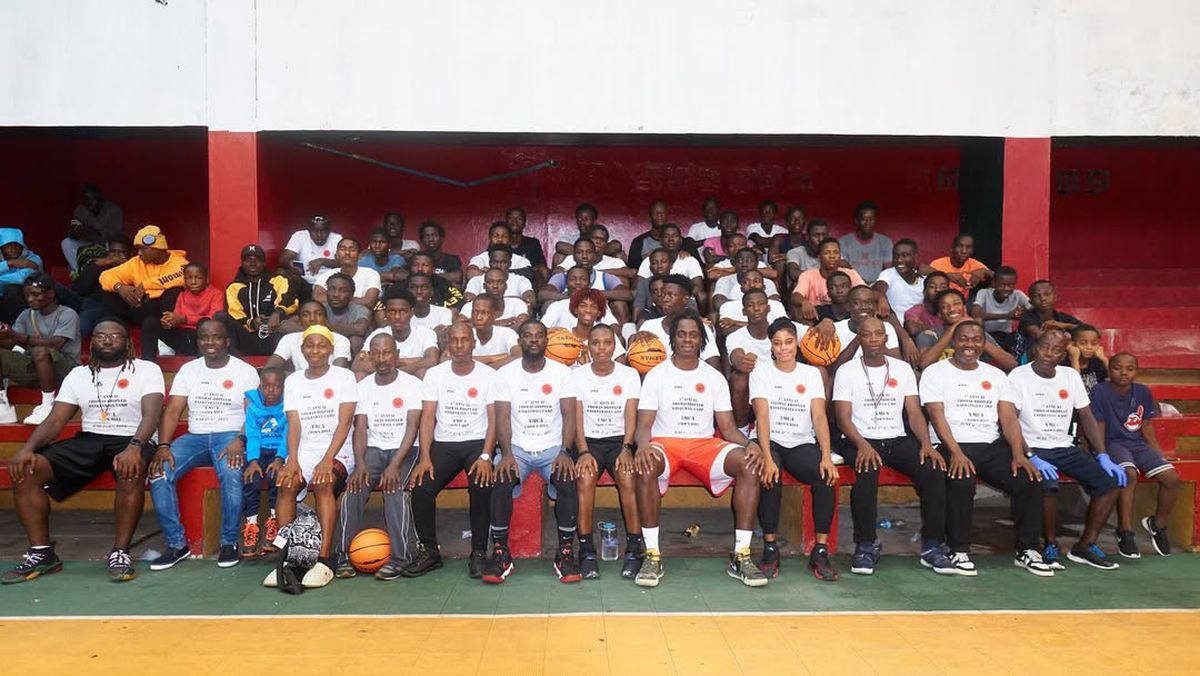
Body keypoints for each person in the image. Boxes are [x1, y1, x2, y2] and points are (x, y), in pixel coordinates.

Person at [2, 320, 162, 584]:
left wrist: (135, 447)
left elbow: (152, 414)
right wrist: (27, 449)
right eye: (100, 336)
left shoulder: (146, 369)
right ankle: (42, 554)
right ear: (92, 341)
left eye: (115, 336)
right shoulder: (78, 375)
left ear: (128, 343)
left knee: (130, 469)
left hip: (133, 437)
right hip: (91, 439)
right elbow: (55, 420)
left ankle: (120, 552)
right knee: (28, 469)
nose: (107, 340)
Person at [631, 308, 768, 588]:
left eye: (693, 335)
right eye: (681, 334)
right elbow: (643, 425)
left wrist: (750, 444)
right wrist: (642, 446)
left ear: (702, 340)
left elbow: (728, 429)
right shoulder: (657, 375)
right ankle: (652, 554)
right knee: (645, 465)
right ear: (672, 339)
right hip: (665, 444)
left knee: (749, 464)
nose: (687, 339)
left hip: (704, 445)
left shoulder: (714, 377)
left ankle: (741, 554)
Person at [920, 320, 1054, 577]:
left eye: (976, 339)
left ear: (984, 343)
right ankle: (958, 550)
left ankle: (1027, 550)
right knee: (962, 480)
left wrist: (1018, 454)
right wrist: (957, 453)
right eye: (964, 339)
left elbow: (1008, 418)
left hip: (990, 445)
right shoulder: (935, 372)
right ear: (953, 342)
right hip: (951, 443)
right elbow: (936, 416)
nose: (969, 345)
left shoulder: (996, 376)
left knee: (1029, 480)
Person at [831, 317, 955, 576]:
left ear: (886, 338)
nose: (873, 339)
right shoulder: (847, 371)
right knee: (867, 471)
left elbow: (914, 412)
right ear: (859, 339)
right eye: (867, 334)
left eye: (878, 334)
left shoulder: (902, 369)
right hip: (859, 438)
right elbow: (842, 418)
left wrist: (926, 444)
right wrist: (863, 445)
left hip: (897, 438)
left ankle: (933, 544)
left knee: (933, 469)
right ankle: (866, 544)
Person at [147, 319, 260, 570]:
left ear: (227, 341)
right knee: (158, 472)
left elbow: (252, 413)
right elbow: (173, 410)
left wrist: (240, 439)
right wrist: (163, 446)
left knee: (231, 473)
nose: (210, 342)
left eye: (216, 337)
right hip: (195, 437)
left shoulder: (245, 371)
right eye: (204, 337)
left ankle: (229, 542)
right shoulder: (189, 370)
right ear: (197, 341)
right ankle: (177, 544)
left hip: (230, 435)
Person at [1007, 331, 1125, 571]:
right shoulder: (1018, 376)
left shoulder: (1070, 376)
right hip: (1033, 447)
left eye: (1056, 350)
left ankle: (1085, 545)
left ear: (1064, 354)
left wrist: (1102, 454)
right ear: (1035, 348)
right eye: (1044, 347)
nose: (1048, 354)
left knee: (1110, 482)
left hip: (1064, 446)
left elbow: (1086, 416)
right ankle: (1050, 544)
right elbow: (1011, 421)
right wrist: (1030, 455)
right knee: (1047, 484)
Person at [484, 320, 580, 584]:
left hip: (553, 448)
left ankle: (565, 551)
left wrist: (565, 452)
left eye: (539, 335)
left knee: (567, 481)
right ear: (520, 341)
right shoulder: (506, 374)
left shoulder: (562, 373)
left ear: (546, 341)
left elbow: (569, 415)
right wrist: (506, 454)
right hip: (517, 448)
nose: (534, 339)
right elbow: (502, 418)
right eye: (528, 335)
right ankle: (501, 552)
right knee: (501, 480)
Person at [269, 325, 358, 589]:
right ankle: (289, 558)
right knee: (286, 484)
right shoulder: (294, 381)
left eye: (321, 345)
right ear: (302, 349)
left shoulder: (344, 377)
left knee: (323, 483)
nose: (315, 350)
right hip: (305, 450)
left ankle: (323, 559)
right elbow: (294, 424)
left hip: (338, 449)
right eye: (309, 345)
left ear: (330, 350)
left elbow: (345, 423)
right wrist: (292, 460)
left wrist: (328, 459)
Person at [406, 322, 498, 579]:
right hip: (445, 444)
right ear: (447, 344)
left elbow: (494, 420)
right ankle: (429, 552)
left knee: (481, 484)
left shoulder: (489, 376)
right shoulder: (435, 375)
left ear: (473, 343)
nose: (459, 345)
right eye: (454, 340)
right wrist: (425, 457)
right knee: (421, 487)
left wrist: (486, 456)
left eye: (464, 340)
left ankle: (478, 553)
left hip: (477, 443)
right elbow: (427, 418)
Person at [751, 318, 840, 581]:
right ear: (771, 346)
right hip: (771, 440)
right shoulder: (761, 373)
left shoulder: (811, 374)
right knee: (769, 474)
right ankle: (770, 547)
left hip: (801, 442)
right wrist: (768, 457)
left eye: (788, 342)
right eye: (777, 343)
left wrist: (826, 456)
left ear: (796, 343)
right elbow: (762, 417)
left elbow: (819, 417)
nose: (784, 348)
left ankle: (820, 551)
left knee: (825, 476)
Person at [335, 333, 422, 580]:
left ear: (397, 354)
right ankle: (343, 555)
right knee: (354, 487)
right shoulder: (362, 387)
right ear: (369, 356)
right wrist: (360, 464)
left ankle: (402, 557)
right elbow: (360, 429)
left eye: (387, 352)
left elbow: (412, 428)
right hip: (373, 449)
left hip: (405, 449)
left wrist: (395, 464)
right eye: (376, 353)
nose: (382, 358)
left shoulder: (412, 385)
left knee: (394, 489)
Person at [1090, 353, 1180, 557]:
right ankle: (1124, 530)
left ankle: (1158, 525)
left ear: (1136, 371)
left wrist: (1158, 453)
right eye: (1117, 368)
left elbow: (1146, 425)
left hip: (1137, 444)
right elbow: (1098, 425)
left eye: (1130, 369)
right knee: (1128, 474)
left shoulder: (1142, 391)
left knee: (1171, 478)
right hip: (1112, 444)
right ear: (1109, 370)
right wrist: (1100, 453)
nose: (1124, 373)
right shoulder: (1099, 391)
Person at [572, 323, 643, 579]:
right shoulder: (577, 376)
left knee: (627, 476)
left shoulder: (629, 375)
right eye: (596, 343)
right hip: (588, 442)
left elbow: (631, 415)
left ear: (615, 346)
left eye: (607, 343)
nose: (601, 348)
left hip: (619, 442)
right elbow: (576, 419)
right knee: (585, 478)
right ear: (588, 346)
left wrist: (627, 448)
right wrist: (583, 452)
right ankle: (586, 550)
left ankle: (635, 548)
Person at [0, 275, 81, 425]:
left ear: (51, 293)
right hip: (35, 367)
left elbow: (56, 344)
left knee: (40, 351)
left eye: (35, 294)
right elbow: (14, 342)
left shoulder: (67, 313)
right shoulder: (26, 314)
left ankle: (48, 405)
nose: (30, 299)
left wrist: (16, 335)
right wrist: (4, 334)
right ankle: (2, 406)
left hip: (65, 370)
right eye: (27, 296)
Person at [98, 225, 188, 359]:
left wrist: (144, 286)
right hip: (139, 306)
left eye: (143, 249)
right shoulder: (136, 262)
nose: (139, 253)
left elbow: (181, 277)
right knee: (109, 292)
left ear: (158, 248)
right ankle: (120, 335)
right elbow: (105, 276)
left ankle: (166, 339)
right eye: (138, 249)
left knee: (174, 292)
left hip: (161, 311)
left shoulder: (179, 262)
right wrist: (120, 287)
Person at [240, 367, 287, 555]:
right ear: (260, 387)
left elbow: (288, 436)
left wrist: (279, 458)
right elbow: (252, 435)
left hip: (280, 451)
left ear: (283, 387)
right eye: (266, 386)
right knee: (251, 478)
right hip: (258, 451)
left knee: (276, 477)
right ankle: (251, 524)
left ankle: (274, 521)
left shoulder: (288, 406)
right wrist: (253, 460)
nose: (271, 390)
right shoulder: (253, 408)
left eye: (276, 386)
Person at [221, 244, 299, 356]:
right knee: (221, 317)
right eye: (248, 260)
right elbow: (234, 314)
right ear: (242, 263)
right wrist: (252, 323)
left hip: (274, 332)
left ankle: (282, 358)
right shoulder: (234, 287)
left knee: (291, 322)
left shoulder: (278, 280)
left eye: (257, 259)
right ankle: (232, 359)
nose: (252, 263)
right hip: (247, 337)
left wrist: (276, 314)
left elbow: (290, 300)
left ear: (264, 263)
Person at [916, 290, 1018, 372]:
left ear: (964, 309)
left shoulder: (979, 334)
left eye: (956, 304)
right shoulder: (928, 335)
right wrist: (954, 328)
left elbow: (1012, 364)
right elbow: (923, 364)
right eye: (944, 307)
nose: (952, 309)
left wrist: (978, 338)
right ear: (939, 314)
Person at [633, 275, 720, 368]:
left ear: (685, 299)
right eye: (663, 294)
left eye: (671, 295)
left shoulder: (700, 328)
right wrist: (637, 342)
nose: (665, 299)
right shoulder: (648, 326)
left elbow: (713, 365)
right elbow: (635, 361)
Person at [141, 262, 223, 360]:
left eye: (198, 278)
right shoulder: (182, 295)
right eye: (189, 278)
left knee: (204, 322)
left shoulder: (216, 294)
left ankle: (203, 362)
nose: (193, 282)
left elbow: (214, 319)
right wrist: (169, 322)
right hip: (183, 337)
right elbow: (177, 318)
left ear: (207, 279)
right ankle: (148, 361)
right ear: (184, 280)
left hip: (200, 339)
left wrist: (185, 319)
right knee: (150, 322)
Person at [541, 238, 630, 324]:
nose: (584, 256)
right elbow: (543, 294)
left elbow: (627, 294)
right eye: (579, 252)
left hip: (598, 321)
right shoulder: (563, 276)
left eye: (589, 252)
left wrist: (593, 295)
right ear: (573, 256)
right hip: (565, 320)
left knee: (620, 304)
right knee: (549, 304)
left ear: (594, 256)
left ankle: (621, 334)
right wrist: (574, 298)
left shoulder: (604, 277)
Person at [356, 291, 440, 378]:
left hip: (413, 382)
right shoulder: (378, 334)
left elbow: (432, 361)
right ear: (385, 314)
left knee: (422, 372)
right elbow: (357, 365)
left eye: (402, 311)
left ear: (411, 313)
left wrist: (393, 371)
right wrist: (404, 362)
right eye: (392, 312)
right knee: (360, 375)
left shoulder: (425, 333)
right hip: (383, 382)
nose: (397, 317)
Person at [726, 289, 776, 428]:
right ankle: (742, 429)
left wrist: (826, 322)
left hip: (780, 380)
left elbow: (808, 332)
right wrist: (741, 361)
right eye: (750, 305)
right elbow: (736, 356)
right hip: (753, 386)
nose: (756, 308)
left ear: (768, 308)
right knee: (738, 378)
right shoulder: (735, 336)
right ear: (744, 311)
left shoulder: (781, 330)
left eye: (761, 304)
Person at [70, 235, 132, 337]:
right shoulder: (101, 265)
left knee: (85, 320)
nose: (116, 256)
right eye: (112, 251)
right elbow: (79, 288)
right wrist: (97, 264)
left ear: (130, 254)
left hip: (103, 307)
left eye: (121, 252)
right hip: (84, 300)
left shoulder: (133, 269)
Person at [791, 238, 866, 322]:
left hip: (847, 318)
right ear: (819, 256)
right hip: (816, 318)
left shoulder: (851, 273)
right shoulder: (808, 275)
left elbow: (865, 292)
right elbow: (795, 295)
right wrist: (804, 302)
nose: (832, 256)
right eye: (827, 253)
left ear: (840, 256)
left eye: (836, 252)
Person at [268, 301, 352, 372]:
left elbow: (338, 372)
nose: (312, 319)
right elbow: (271, 367)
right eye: (306, 315)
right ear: (299, 320)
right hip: (300, 382)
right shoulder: (289, 339)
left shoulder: (340, 340)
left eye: (318, 314)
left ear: (326, 319)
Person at [970, 265, 1028, 356]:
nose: (1007, 288)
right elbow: (975, 314)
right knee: (977, 320)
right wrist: (1007, 315)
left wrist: (1022, 313)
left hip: (1006, 336)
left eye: (1011, 285)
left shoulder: (1018, 295)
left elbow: (1033, 308)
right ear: (994, 283)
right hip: (986, 334)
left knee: (1029, 322)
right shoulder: (984, 293)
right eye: (1002, 285)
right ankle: (981, 354)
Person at [542, 267, 620, 331]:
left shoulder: (598, 303)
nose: (578, 282)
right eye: (572, 279)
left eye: (583, 279)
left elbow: (614, 326)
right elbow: (543, 328)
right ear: (566, 284)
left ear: (589, 284)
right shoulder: (557, 306)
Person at [313, 237, 382, 310]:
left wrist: (337, 300)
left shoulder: (371, 274)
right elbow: (317, 297)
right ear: (337, 254)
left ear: (359, 255)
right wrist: (355, 300)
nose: (347, 253)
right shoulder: (327, 275)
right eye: (343, 249)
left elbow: (369, 301)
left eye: (352, 250)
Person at [565, 288, 626, 366]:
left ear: (599, 313)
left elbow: (621, 366)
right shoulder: (563, 336)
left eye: (594, 307)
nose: (588, 310)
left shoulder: (607, 335)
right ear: (576, 309)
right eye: (583, 306)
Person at [1019, 280, 1081, 355]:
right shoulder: (1027, 316)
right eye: (1036, 296)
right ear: (1030, 301)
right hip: (1034, 357)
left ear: (1056, 297)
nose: (1043, 298)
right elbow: (1037, 335)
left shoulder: (1061, 316)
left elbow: (1089, 331)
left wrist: (1064, 325)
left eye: (1047, 294)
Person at [712, 248, 780, 314]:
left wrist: (747, 308)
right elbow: (718, 303)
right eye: (740, 261)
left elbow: (775, 303)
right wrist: (752, 308)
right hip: (733, 316)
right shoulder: (725, 280)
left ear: (757, 263)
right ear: (733, 263)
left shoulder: (767, 282)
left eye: (749, 261)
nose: (744, 264)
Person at [459, 293, 520, 367]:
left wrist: (487, 370)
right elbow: (448, 359)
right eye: (475, 312)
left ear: (494, 315)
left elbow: (518, 356)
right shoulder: (464, 334)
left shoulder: (507, 333)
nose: (478, 317)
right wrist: (492, 358)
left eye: (484, 313)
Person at [279, 214, 341, 285]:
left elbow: (343, 262)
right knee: (281, 272)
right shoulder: (300, 236)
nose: (319, 235)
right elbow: (284, 258)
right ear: (309, 230)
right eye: (314, 231)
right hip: (303, 281)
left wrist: (323, 261)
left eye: (323, 231)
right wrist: (289, 263)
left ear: (329, 230)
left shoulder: (336, 238)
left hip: (329, 283)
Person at [0, 227, 46, 324]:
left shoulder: (33, 259)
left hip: (27, 301)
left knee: (11, 289)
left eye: (17, 246)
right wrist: (9, 263)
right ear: (1, 248)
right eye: (8, 246)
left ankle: (18, 328)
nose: (13, 249)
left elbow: (21, 279)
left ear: (22, 247)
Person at [838, 201, 892, 283]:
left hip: (878, 285)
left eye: (871, 219)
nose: (868, 223)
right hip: (853, 285)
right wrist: (861, 283)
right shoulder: (843, 242)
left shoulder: (885, 242)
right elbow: (844, 269)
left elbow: (888, 270)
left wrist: (878, 285)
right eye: (864, 219)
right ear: (857, 221)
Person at [319, 273, 372, 355]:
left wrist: (323, 325)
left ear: (351, 295)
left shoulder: (360, 310)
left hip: (350, 351)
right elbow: (296, 325)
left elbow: (360, 329)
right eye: (332, 289)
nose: (336, 295)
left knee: (356, 339)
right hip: (323, 348)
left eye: (343, 291)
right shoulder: (319, 308)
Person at [873, 238, 925, 320]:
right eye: (895, 256)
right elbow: (878, 288)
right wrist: (881, 297)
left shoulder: (925, 280)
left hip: (915, 324)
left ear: (915, 257)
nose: (899, 260)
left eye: (905, 255)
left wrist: (933, 272)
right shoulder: (889, 273)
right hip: (892, 323)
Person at [718, 270, 788, 330]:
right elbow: (727, 330)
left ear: (763, 287)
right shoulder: (728, 306)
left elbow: (784, 326)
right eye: (746, 282)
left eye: (756, 281)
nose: (751, 285)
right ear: (741, 289)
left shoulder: (776, 305)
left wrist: (736, 323)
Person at [463, 248, 535, 307]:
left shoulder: (521, 280)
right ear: (490, 263)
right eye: (495, 262)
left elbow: (531, 301)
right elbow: (468, 300)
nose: (499, 266)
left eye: (503, 262)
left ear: (510, 264)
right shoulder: (477, 280)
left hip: (514, 318)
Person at [461, 269, 530, 328]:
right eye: (491, 282)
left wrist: (477, 324)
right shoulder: (472, 305)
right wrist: (499, 323)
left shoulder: (517, 303)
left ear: (506, 286)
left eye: (500, 282)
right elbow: (460, 325)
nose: (495, 286)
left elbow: (523, 323)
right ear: (484, 286)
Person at [930, 233, 991, 298]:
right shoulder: (937, 264)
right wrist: (946, 276)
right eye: (960, 246)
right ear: (952, 248)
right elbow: (928, 283)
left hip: (962, 302)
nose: (964, 251)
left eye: (968, 247)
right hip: (940, 300)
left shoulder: (974, 263)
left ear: (973, 251)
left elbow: (996, 278)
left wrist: (984, 271)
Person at [466, 222, 533, 280]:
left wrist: (491, 272)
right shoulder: (481, 258)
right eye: (496, 236)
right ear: (490, 238)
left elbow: (529, 273)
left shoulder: (520, 260)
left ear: (510, 240)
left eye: (504, 236)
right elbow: (470, 273)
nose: (500, 239)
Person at [505, 207, 550, 290]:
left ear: (524, 223)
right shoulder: (499, 243)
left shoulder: (532, 243)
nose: (515, 221)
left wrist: (524, 271)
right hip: (503, 278)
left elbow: (540, 265)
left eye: (519, 218)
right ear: (506, 222)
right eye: (511, 218)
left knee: (544, 271)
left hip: (527, 279)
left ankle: (540, 297)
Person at [903, 272, 949, 338]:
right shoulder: (915, 311)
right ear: (924, 291)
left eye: (943, 287)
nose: (938, 290)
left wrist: (923, 327)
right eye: (932, 287)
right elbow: (912, 328)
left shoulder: (952, 310)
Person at [418, 220, 464, 287]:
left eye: (434, 235)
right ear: (422, 240)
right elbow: (403, 275)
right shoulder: (417, 259)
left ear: (441, 238)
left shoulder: (452, 259)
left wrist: (426, 277)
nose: (431, 239)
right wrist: (445, 278)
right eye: (426, 236)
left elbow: (457, 277)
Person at [627, 200, 670, 271]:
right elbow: (633, 268)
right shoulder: (639, 241)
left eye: (662, 212)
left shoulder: (675, 240)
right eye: (656, 213)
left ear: (667, 216)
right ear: (650, 217)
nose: (659, 215)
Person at [1068, 324, 1108, 393]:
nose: (1089, 347)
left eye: (1094, 344)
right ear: (1073, 344)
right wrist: (1074, 359)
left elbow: (1117, 381)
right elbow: (1076, 386)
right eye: (1083, 343)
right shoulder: (1064, 363)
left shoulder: (1098, 362)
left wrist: (1104, 359)